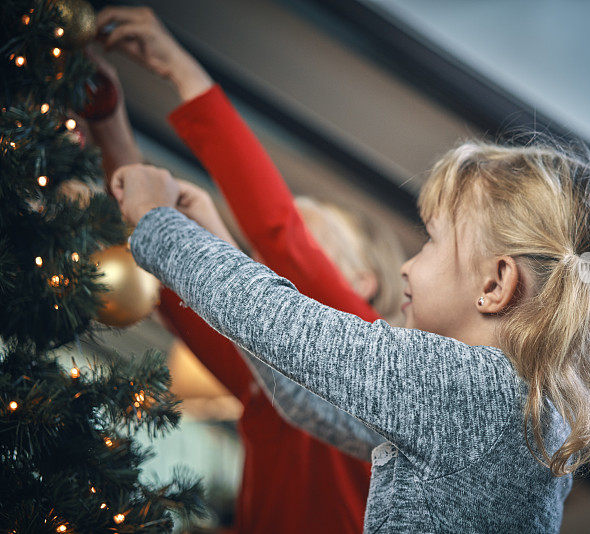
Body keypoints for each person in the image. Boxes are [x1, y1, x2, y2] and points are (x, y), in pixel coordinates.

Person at [88, 7, 404, 532]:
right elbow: (166, 274)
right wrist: (109, 121)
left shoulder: (378, 375)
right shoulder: (263, 382)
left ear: (362, 283)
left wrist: (183, 71)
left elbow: (280, 236)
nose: (279, 250)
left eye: (315, 237)